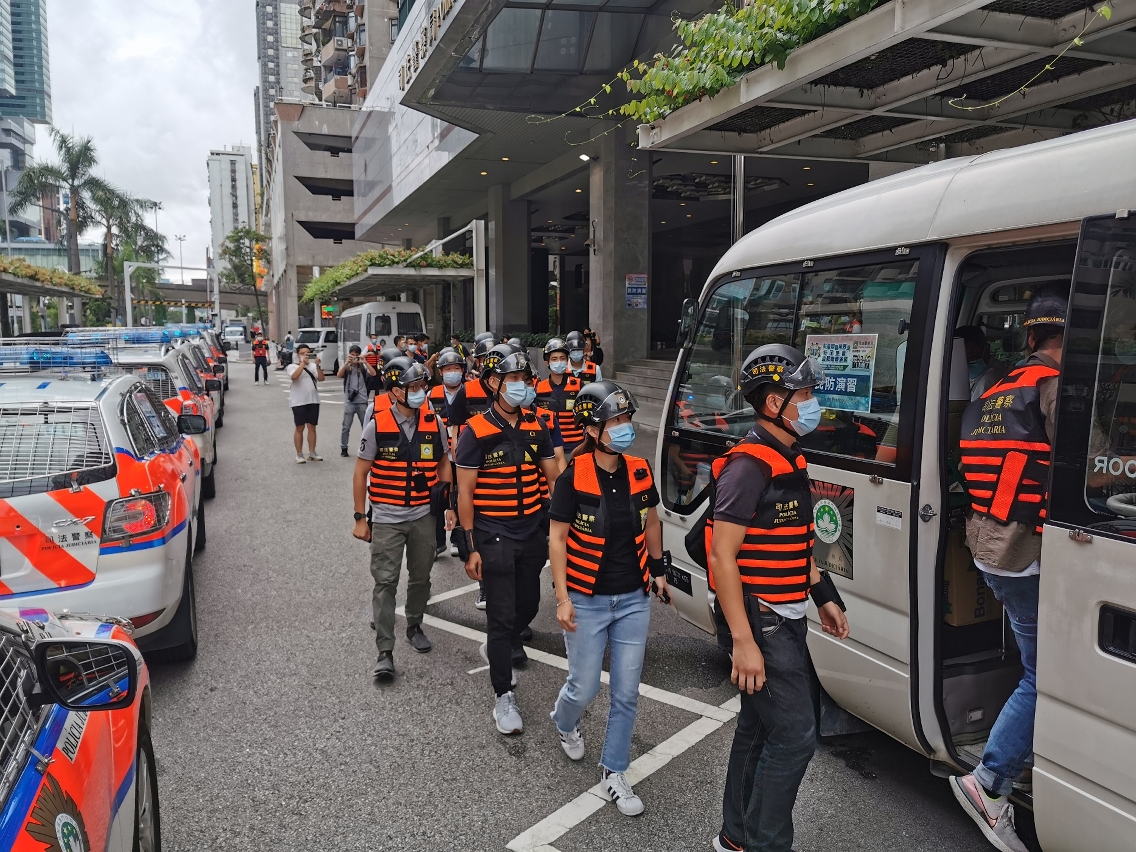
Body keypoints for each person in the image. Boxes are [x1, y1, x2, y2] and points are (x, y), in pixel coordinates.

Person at [708, 344, 849, 852]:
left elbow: (794, 543)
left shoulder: (789, 458)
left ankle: (735, 837)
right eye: (805, 394)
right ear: (774, 403)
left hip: (786, 615)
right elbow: (723, 555)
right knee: (794, 736)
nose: (813, 404)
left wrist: (823, 594)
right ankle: (765, 844)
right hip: (762, 621)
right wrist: (743, 642)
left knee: (757, 727)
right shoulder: (749, 467)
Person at [950, 293, 1067, 852]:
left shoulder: (996, 387)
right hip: (1026, 551)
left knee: (1034, 661)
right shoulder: (1053, 386)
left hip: (989, 545)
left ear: (1029, 337)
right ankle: (990, 780)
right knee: (1045, 675)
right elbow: (1084, 470)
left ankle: (1023, 759)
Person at [548, 380, 670, 817]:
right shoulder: (573, 476)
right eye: (615, 420)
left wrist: (658, 570)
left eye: (626, 418)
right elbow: (557, 539)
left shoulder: (639, 469)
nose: (624, 427)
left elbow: (651, 521)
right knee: (582, 687)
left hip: (633, 598)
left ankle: (614, 771)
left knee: (626, 692)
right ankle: (563, 721)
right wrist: (562, 598)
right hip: (586, 599)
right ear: (592, 430)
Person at [454, 344, 561, 734]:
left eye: (525, 379)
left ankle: (500, 643)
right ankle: (503, 696)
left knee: (529, 603)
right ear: (494, 383)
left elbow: (553, 477)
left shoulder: (536, 426)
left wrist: (563, 524)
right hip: (493, 533)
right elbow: (465, 493)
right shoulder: (475, 431)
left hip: (532, 529)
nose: (522, 385)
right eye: (513, 379)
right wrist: (470, 546)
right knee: (500, 615)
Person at [352, 356, 456, 680]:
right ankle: (384, 651)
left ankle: (414, 625)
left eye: (422, 385)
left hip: (424, 514)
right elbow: (360, 473)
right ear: (396, 391)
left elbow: (444, 462)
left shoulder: (434, 422)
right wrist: (360, 517)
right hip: (387, 517)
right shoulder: (377, 424)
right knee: (385, 582)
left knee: (421, 577)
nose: (420, 391)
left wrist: (448, 505)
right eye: (413, 387)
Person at [536, 338, 586, 457]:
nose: (559, 362)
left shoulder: (579, 385)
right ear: (547, 362)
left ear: (567, 360)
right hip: (549, 448)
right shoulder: (538, 388)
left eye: (562, 358)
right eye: (554, 359)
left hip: (576, 447)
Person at [288, 343, 325, 463]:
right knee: (300, 427)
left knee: (312, 426)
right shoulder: (292, 366)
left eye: (307, 353)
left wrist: (318, 366)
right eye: (302, 353)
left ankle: (312, 452)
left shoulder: (313, 366)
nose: (305, 355)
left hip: (313, 400)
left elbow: (321, 378)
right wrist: (303, 364)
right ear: (298, 355)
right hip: (298, 401)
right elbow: (294, 377)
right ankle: (299, 454)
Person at [954, 325, 1010, 401]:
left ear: (986, 350)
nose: (965, 364)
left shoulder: (991, 378)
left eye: (971, 357)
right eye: (961, 359)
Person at [338, 344, 376, 457]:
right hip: (349, 401)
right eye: (352, 355)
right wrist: (346, 362)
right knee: (346, 426)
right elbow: (339, 375)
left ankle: (367, 447)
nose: (354, 357)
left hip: (362, 400)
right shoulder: (347, 366)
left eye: (356, 355)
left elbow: (373, 373)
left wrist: (365, 362)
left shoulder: (363, 367)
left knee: (366, 426)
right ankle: (344, 448)